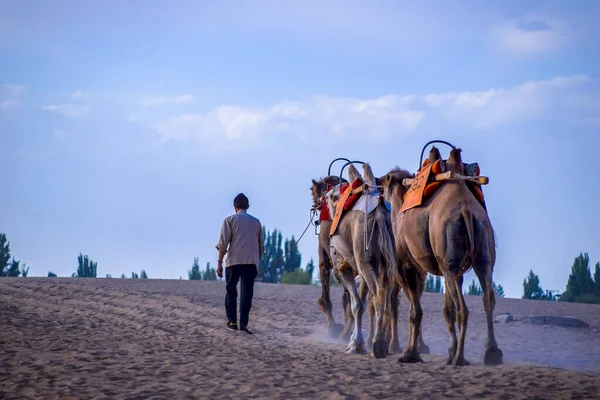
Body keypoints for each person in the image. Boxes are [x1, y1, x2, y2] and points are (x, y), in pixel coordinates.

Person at [215, 193, 264, 334]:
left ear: (234, 206)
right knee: (246, 294)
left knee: (231, 292)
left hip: (233, 263)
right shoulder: (256, 222)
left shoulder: (229, 220)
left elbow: (223, 244)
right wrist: (256, 262)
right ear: (248, 207)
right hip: (250, 263)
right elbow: (261, 247)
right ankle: (243, 324)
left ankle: (232, 322)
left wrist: (219, 263)